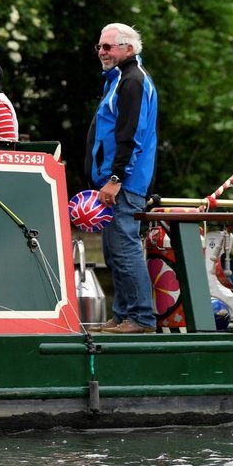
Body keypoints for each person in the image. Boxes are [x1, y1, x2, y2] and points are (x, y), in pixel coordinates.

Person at [85, 23, 158, 334]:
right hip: (113, 182)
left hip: (124, 183)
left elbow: (131, 134)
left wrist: (116, 177)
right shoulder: (118, 80)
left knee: (125, 248)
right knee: (114, 251)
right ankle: (122, 314)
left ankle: (142, 318)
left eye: (109, 47)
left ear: (128, 49)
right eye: (100, 46)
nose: (102, 52)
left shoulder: (133, 81)